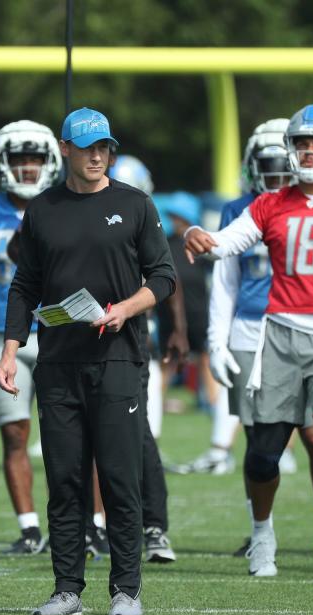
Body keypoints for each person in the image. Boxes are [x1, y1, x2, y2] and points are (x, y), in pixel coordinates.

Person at [184, 104, 313, 582]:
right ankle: (263, 537)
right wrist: (200, 235)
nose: (309, 151)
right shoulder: (270, 203)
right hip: (278, 336)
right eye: (302, 143)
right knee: (262, 452)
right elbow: (228, 245)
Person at [0, 107, 176, 615]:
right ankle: (67, 589)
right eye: (88, 146)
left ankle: (126, 590)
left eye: (105, 147)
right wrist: (11, 350)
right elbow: (24, 285)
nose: (98, 155)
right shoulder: (43, 209)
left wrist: (125, 308)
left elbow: (163, 276)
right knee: (65, 479)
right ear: (66, 149)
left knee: (119, 477)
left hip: (119, 359)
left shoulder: (135, 205)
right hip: (56, 363)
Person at [203, 118, 313, 559]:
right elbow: (224, 281)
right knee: (258, 441)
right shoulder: (237, 210)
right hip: (249, 327)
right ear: (251, 166)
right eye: (269, 165)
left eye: (284, 164)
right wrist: (216, 341)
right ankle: (260, 530)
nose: (279, 174)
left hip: (305, 326)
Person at [0, 119, 61, 554]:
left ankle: (91, 525)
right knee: (14, 434)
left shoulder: (68, 202)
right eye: (19, 158)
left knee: (78, 438)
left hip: (62, 332)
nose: (27, 167)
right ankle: (29, 529)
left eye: (35, 158)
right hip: (4, 336)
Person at [107, 153, 183, 563]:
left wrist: (179, 331)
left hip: (132, 340)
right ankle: (92, 527)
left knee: (137, 436)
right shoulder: (76, 211)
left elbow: (166, 277)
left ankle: (154, 525)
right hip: (82, 340)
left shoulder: (141, 218)